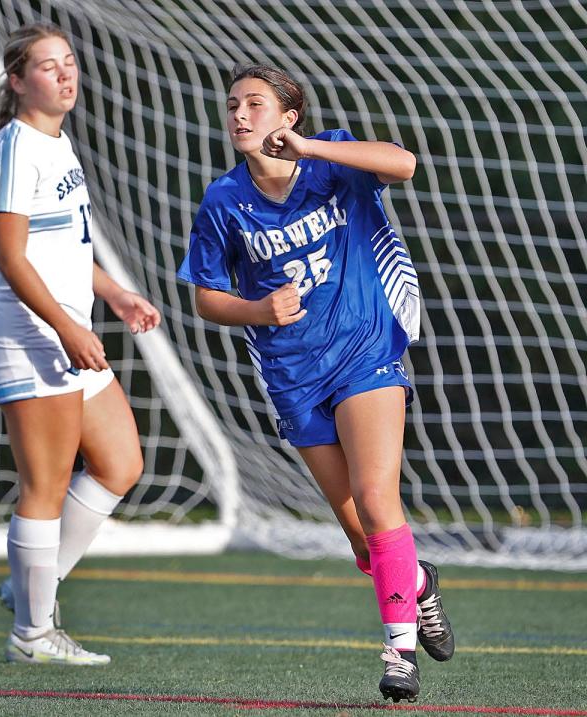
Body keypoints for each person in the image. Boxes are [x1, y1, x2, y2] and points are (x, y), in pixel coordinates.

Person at [177, 64, 454, 702]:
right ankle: (417, 586)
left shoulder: (332, 162)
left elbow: (403, 163)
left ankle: (398, 650)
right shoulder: (224, 200)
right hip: (293, 375)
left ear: (288, 117)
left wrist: (312, 148)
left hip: (364, 353)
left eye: (254, 104)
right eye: (232, 106)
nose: (239, 116)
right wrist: (257, 309)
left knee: (376, 494)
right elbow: (207, 298)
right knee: (361, 533)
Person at [0, 23, 161, 665]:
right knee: (45, 487)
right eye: (48, 66)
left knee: (120, 464)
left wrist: (113, 294)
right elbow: (13, 258)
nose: (64, 74)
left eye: (69, 63)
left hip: (65, 336)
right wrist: (67, 327)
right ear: (19, 81)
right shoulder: (15, 148)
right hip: (29, 342)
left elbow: (66, 247)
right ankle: (32, 634)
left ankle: (32, 587)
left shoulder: (59, 143)